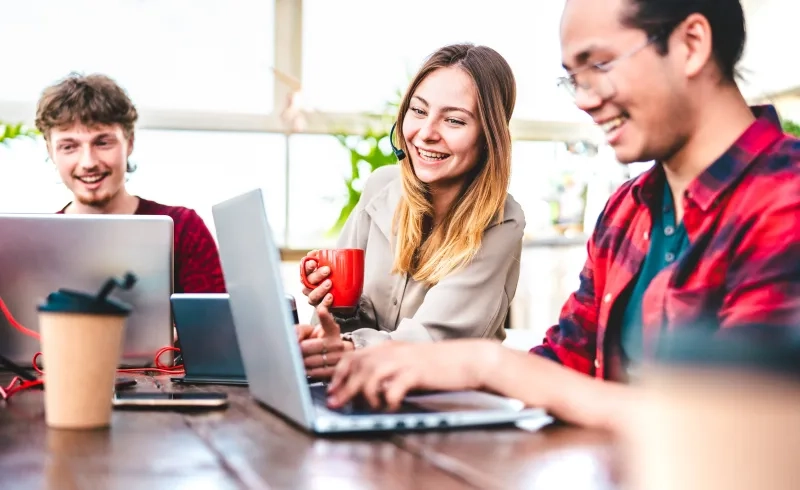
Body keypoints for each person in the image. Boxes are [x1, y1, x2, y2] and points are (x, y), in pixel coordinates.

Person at [324, 0, 800, 429]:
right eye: (575, 77)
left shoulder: (786, 197)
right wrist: (427, 366)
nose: (585, 100)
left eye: (601, 65)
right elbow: (565, 362)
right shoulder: (627, 211)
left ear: (691, 45)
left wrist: (486, 364)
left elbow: (737, 423)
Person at [296, 43, 526, 379]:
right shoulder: (381, 189)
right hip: (361, 392)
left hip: (446, 407)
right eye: (418, 111)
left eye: (454, 120)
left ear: (488, 137)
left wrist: (347, 349)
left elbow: (432, 343)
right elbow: (330, 330)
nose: (426, 134)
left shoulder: (501, 221)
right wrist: (334, 308)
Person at [35, 73, 226, 294]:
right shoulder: (37, 244)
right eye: (69, 147)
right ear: (51, 151)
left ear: (130, 142)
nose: (88, 163)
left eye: (103, 143)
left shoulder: (182, 229)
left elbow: (217, 326)